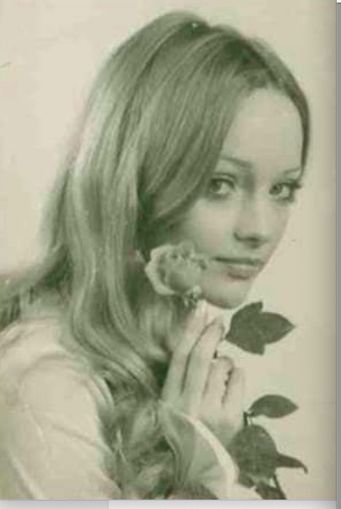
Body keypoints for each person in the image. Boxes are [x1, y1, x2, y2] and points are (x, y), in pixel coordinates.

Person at [0, 10, 309, 499]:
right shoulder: (43, 391)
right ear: (136, 180)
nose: (260, 229)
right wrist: (200, 468)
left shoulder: (170, 339)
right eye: (220, 184)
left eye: (283, 189)